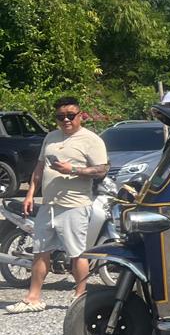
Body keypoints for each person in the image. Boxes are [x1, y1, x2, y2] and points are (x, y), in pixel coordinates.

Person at [4, 98, 108, 312]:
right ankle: (33, 298)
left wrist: (73, 170)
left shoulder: (91, 140)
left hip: (74, 205)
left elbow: (102, 170)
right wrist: (31, 194)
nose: (66, 120)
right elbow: (39, 167)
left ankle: (80, 298)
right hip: (48, 205)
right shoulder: (51, 137)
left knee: (76, 253)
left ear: (81, 115)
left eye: (71, 115)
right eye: (61, 117)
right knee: (40, 251)